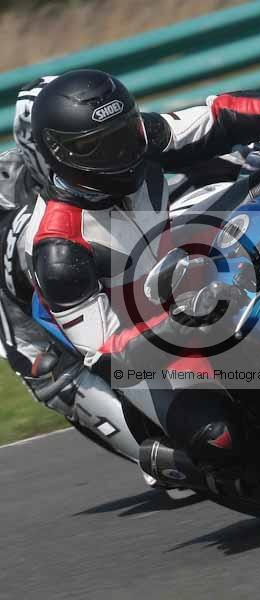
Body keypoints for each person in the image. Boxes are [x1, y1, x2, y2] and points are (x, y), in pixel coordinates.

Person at [25, 69, 260, 472]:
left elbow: (217, 118)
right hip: (149, 342)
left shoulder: (140, 138)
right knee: (219, 437)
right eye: (101, 147)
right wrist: (174, 324)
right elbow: (108, 354)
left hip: (190, 271)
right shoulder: (59, 249)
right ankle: (177, 461)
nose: (124, 152)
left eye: (124, 134)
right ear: (62, 153)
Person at [0, 77, 146, 467]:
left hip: (111, 281)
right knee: (53, 375)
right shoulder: (13, 198)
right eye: (84, 145)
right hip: (37, 321)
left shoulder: (120, 156)